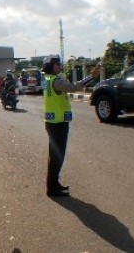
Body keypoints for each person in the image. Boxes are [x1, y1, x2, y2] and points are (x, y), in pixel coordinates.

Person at [42, 55, 99, 196]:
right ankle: (52, 188)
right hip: (58, 123)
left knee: (54, 156)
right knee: (57, 156)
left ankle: (53, 184)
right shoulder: (56, 81)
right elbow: (74, 88)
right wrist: (91, 76)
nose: (60, 65)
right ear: (52, 65)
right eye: (57, 63)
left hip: (52, 122)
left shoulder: (47, 80)